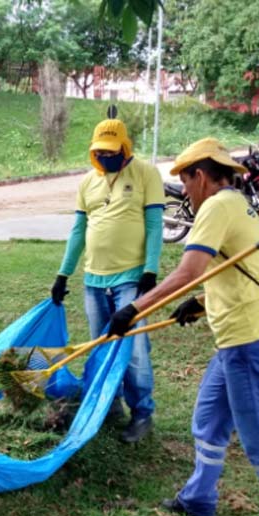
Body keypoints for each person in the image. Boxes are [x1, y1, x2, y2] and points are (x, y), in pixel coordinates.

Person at [107, 138, 259, 516]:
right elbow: (240, 270)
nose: (185, 192)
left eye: (186, 182)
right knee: (208, 419)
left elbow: (190, 269)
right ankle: (198, 499)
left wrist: (132, 309)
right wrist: (202, 302)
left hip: (250, 342)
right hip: (239, 341)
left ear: (201, 176)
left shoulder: (217, 206)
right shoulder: (240, 204)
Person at [51, 116, 165, 443]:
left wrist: (150, 271)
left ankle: (142, 414)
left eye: (111, 151)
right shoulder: (88, 182)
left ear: (125, 147)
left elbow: (156, 226)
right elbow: (78, 232)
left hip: (131, 279)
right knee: (101, 345)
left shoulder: (146, 174)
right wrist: (63, 274)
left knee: (136, 350)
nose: (105, 157)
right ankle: (109, 405)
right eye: (99, 152)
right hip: (93, 281)